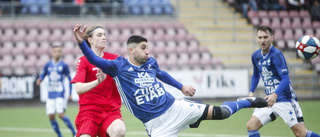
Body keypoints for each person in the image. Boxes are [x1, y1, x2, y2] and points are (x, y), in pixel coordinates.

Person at [73, 24, 268, 137]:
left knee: (222, 112)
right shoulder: (118, 66)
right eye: (143, 48)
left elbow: (161, 74)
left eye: (147, 47)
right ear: (131, 50)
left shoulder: (151, 63)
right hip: (157, 126)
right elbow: (94, 59)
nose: (147, 51)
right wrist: (82, 43)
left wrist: (181, 86)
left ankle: (245, 102)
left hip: (176, 107)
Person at [245, 26, 320, 137]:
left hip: (285, 99)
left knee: (301, 134)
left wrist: (275, 94)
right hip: (269, 100)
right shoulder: (255, 56)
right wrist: (251, 92)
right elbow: (256, 75)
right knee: (251, 125)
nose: (262, 40)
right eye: (260, 37)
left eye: (265, 37)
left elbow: (285, 79)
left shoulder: (276, 55)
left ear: (272, 38)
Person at [70, 25, 126, 137]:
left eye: (105, 35)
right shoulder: (83, 61)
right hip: (89, 112)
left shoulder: (115, 59)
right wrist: (97, 82)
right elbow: (78, 89)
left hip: (111, 111)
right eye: (99, 35)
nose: (104, 37)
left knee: (119, 130)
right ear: (90, 40)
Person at [36, 45, 77, 137]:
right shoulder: (48, 65)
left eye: (59, 51)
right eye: (55, 51)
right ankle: (59, 135)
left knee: (60, 114)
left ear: (61, 53)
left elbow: (70, 79)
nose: (57, 53)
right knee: (51, 116)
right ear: (52, 52)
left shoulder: (64, 65)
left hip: (60, 94)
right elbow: (43, 74)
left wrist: (70, 93)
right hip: (50, 94)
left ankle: (74, 132)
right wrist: (40, 79)